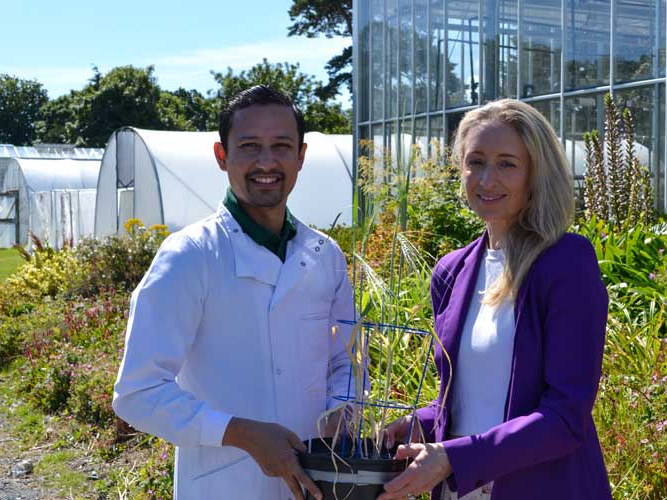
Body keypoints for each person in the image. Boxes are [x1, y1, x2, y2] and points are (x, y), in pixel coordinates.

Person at [113, 85, 355, 500]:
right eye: (249, 146)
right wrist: (240, 433)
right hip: (225, 485)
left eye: (281, 146)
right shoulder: (191, 256)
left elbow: (348, 360)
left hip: (317, 482)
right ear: (222, 157)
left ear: (301, 156)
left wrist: (340, 414)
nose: (267, 162)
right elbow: (138, 391)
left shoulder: (324, 255)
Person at [377, 99, 612, 500]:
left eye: (507, 164)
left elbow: (565, 416)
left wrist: (454, 458)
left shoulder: (565, 263)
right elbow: (469, 402)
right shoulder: (451, 271)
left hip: (543, 489)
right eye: (476, 162)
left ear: (536, 173)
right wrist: (420, 423)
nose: (487, 180)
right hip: (460, 490)